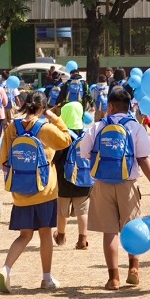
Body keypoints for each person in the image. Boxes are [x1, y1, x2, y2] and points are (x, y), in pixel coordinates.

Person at [79, 88, 150, 289]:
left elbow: (85, 153)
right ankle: (133, 268)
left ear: (110, 106)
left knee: (110, 232)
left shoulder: (98, 126)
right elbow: (142, 159)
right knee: (132, 228)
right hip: (128, 183)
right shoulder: (136, 127)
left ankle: (113, 278)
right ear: (128, 107)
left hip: (102, 183)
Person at [0, 91, 72, 292]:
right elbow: (66, 140)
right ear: (42, 108)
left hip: (20, 191)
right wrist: (55, 118)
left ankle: (5, 269)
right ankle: (46, 278)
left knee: (24, 235)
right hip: (45, 189)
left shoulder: (12, 127)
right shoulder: (45, 127)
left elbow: (2, 160)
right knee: (45, 233)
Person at [54, 101, 92, 250]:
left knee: (62, 211)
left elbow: (56, 157)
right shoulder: (87, 134)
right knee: (83, 211)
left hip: (63, 178)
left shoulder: (62, 135)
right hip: (84, 177)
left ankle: (61, 236)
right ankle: (82, 239)